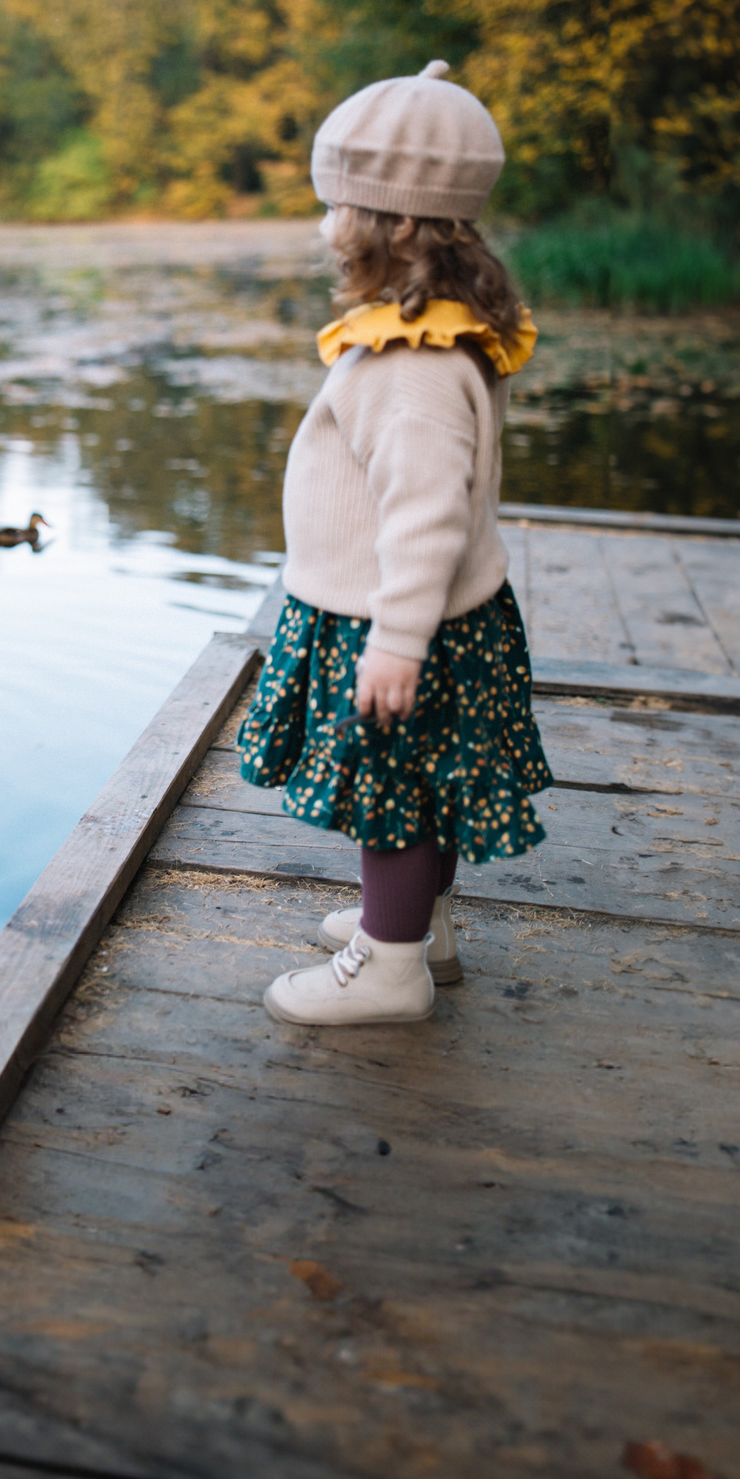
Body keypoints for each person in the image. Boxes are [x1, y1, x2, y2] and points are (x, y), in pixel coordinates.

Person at [239, 61, 552, 1026]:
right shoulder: (440, 332)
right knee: (427, 783)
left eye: (337, 204)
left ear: (389, 223)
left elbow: (425, 511)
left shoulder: (412, 368)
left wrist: (397, 639)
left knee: (395, 796)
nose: (325, 223)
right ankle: (419, 926)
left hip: (396, 614)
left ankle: (390, 968)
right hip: (438, 612)